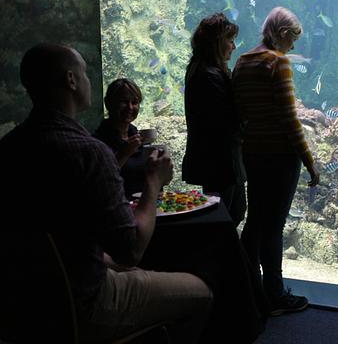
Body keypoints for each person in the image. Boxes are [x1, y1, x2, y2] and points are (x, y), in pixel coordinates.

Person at [0, 43, 212, 343]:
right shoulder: (89, 152)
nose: (88, 81)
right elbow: (130, 250)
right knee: (201, 292)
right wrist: (154, 181)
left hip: (24, 305)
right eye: (85, 73)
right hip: (85, 303)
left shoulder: (9, 147)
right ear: (71, 80)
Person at [232, 7, 319, 316]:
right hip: (281, 157)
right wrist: (309, 161)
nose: (293, 47)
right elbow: (289, 120)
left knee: (255, 220)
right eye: (292, 39)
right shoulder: (277, 63)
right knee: (273, 226)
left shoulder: (241, 63)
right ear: (282, 34)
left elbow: (240, 114)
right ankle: (275, 294)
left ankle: (245, 288)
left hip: (252, 154)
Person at [182, 12, 247, 226]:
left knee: (229, 213)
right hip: (221, 163)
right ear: (216, 43)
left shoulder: (200, 69)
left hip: (217, 163)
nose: (234, 46)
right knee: (223, 218)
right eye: (230, 40)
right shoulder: (209, 75)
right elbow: (228, 120)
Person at [93, 78, 146, 198]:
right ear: (108, 103)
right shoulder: (98, 142)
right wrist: (124, 153)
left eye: (135, 102)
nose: (130, 107)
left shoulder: (137, 136)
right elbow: (99, 182)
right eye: (123, 101)